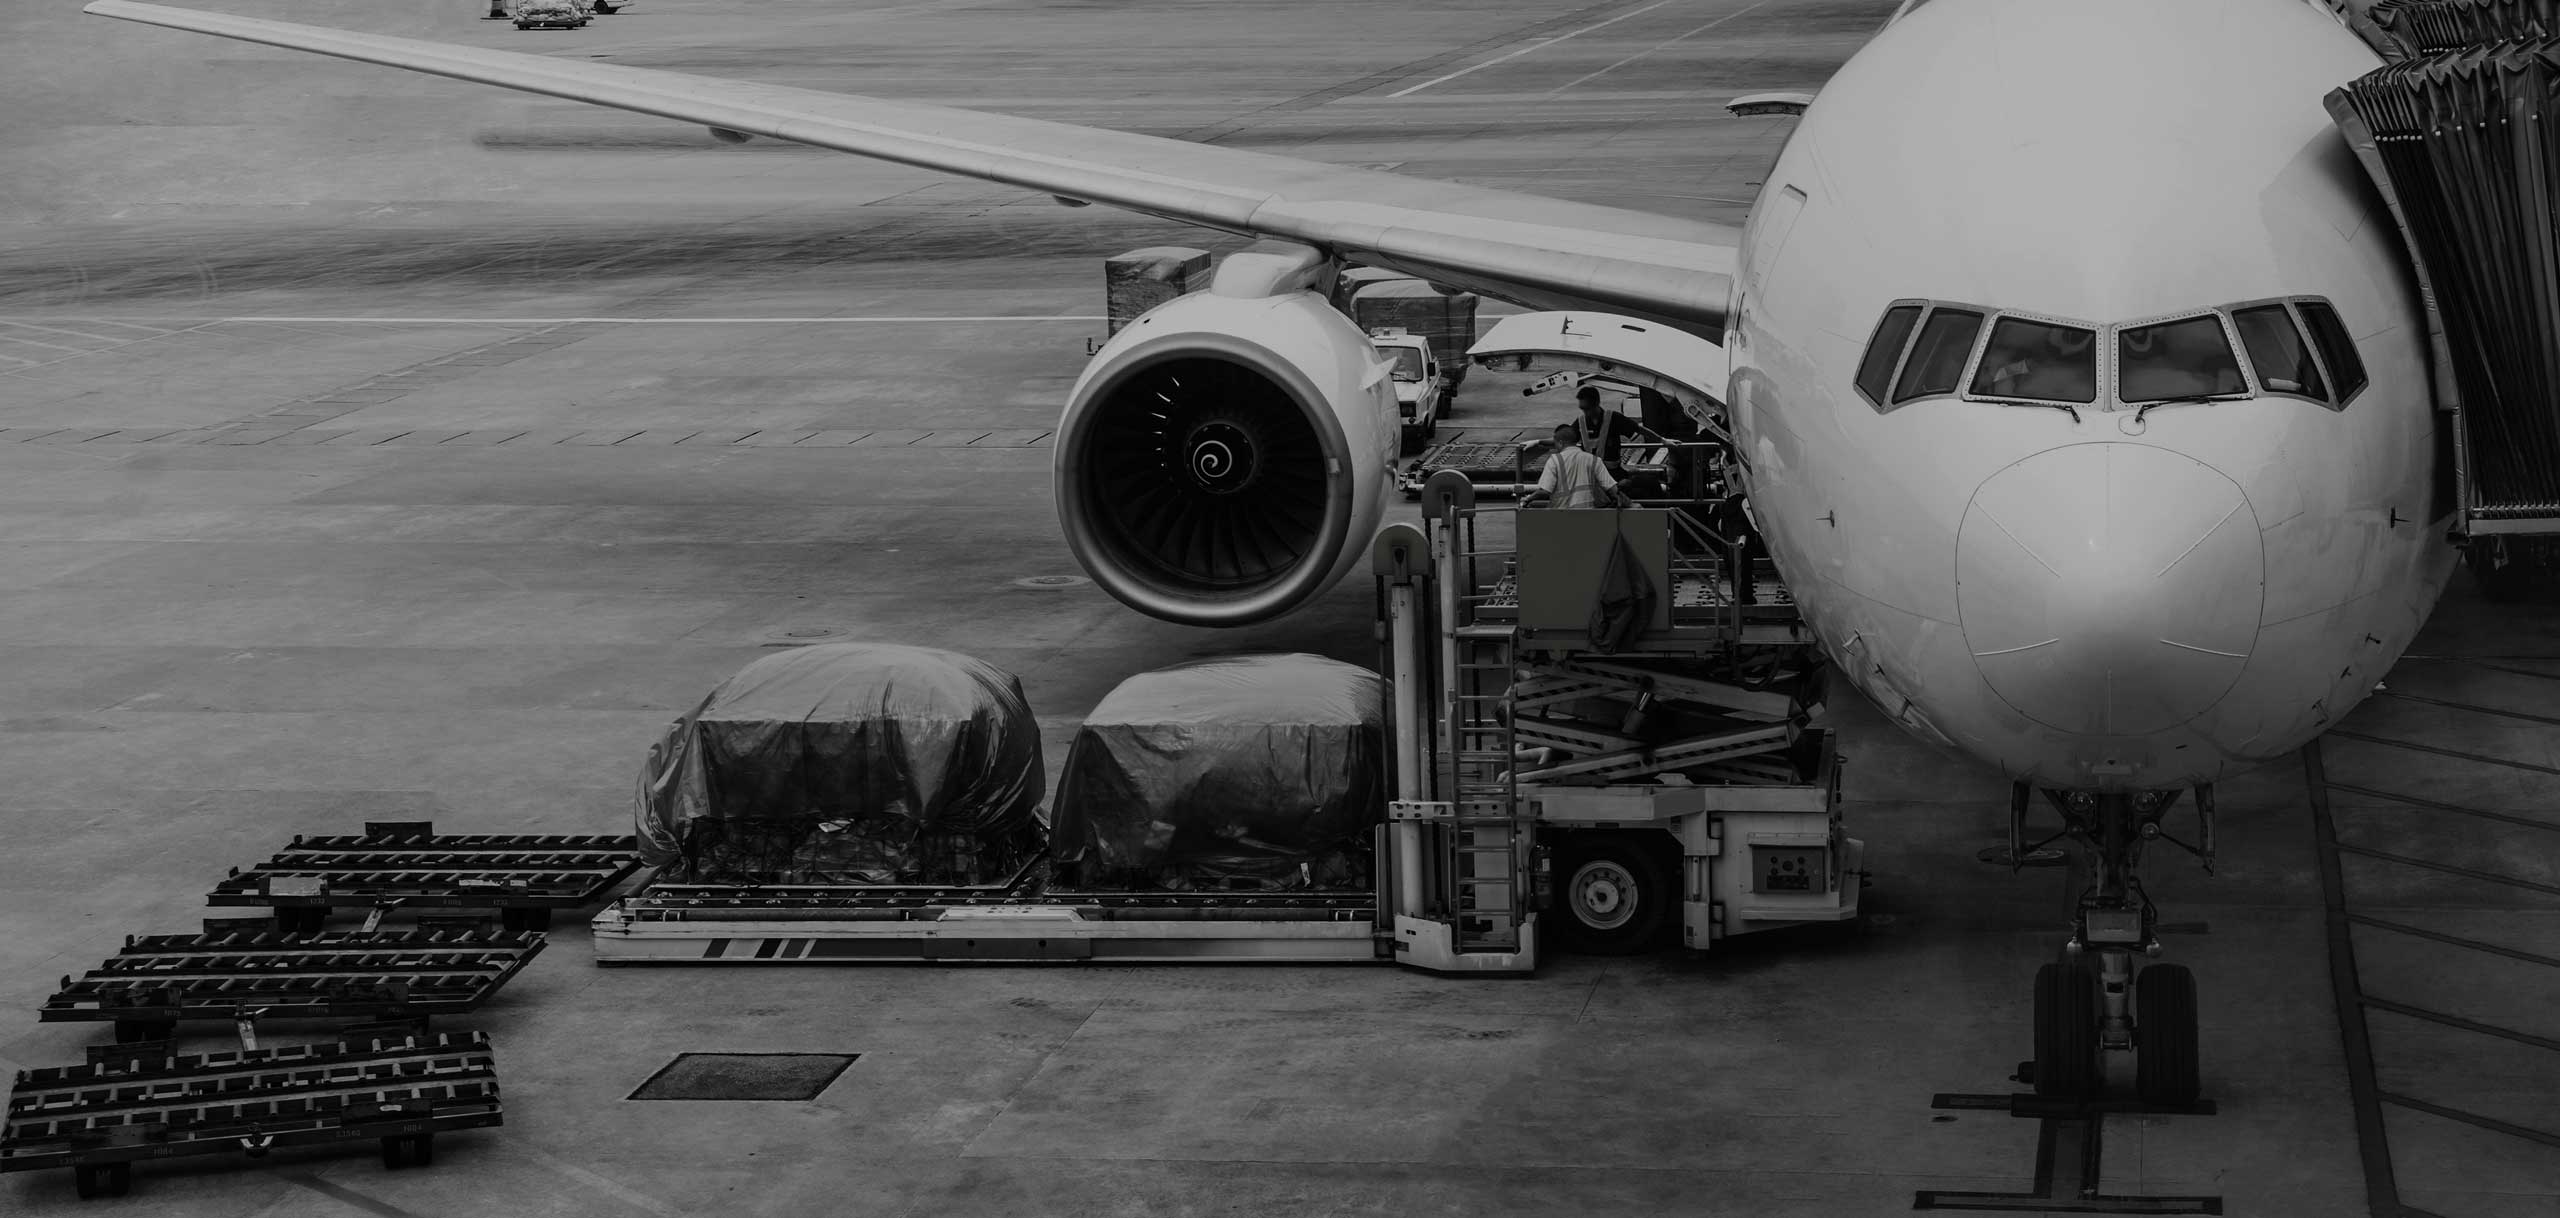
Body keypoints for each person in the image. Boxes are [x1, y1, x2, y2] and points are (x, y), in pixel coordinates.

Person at [1532, 422, 1620, 510]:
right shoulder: (1594, 460)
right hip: (1589, 515)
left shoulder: (1555, 460)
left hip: (1560, 515)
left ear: (1560, 443)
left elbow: (1545, 491)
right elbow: (1612, 489)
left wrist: (1527, 499)